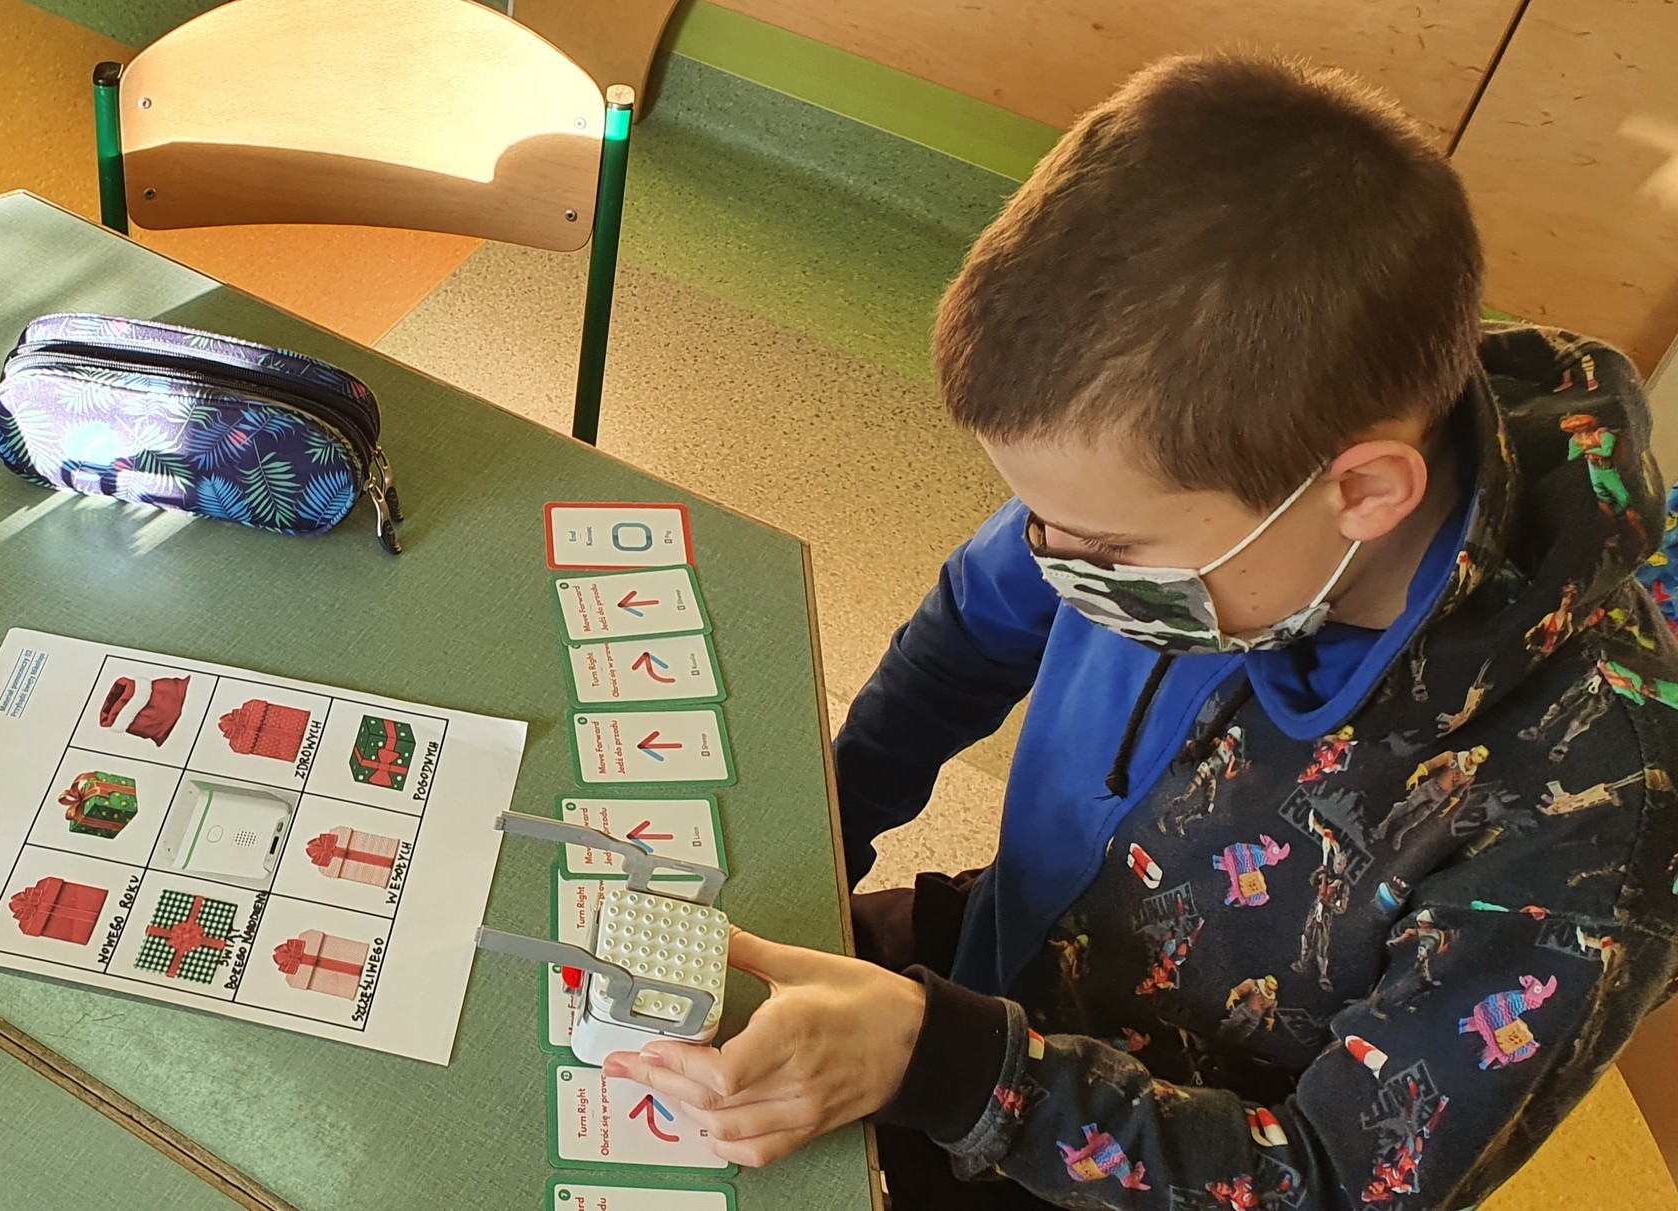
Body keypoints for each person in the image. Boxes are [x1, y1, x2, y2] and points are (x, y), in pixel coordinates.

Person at [603, 52, 1678, 1210]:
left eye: (1106, 549)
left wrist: (944, 1063)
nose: (1056, 562)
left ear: (1363, 491)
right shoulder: (1174, 476)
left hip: (1159, 1154)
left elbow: (1335, 1182)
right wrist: (829, 825)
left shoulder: (1589, 819)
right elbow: (970, 629)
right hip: (1012, 957)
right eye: (1038, 519)